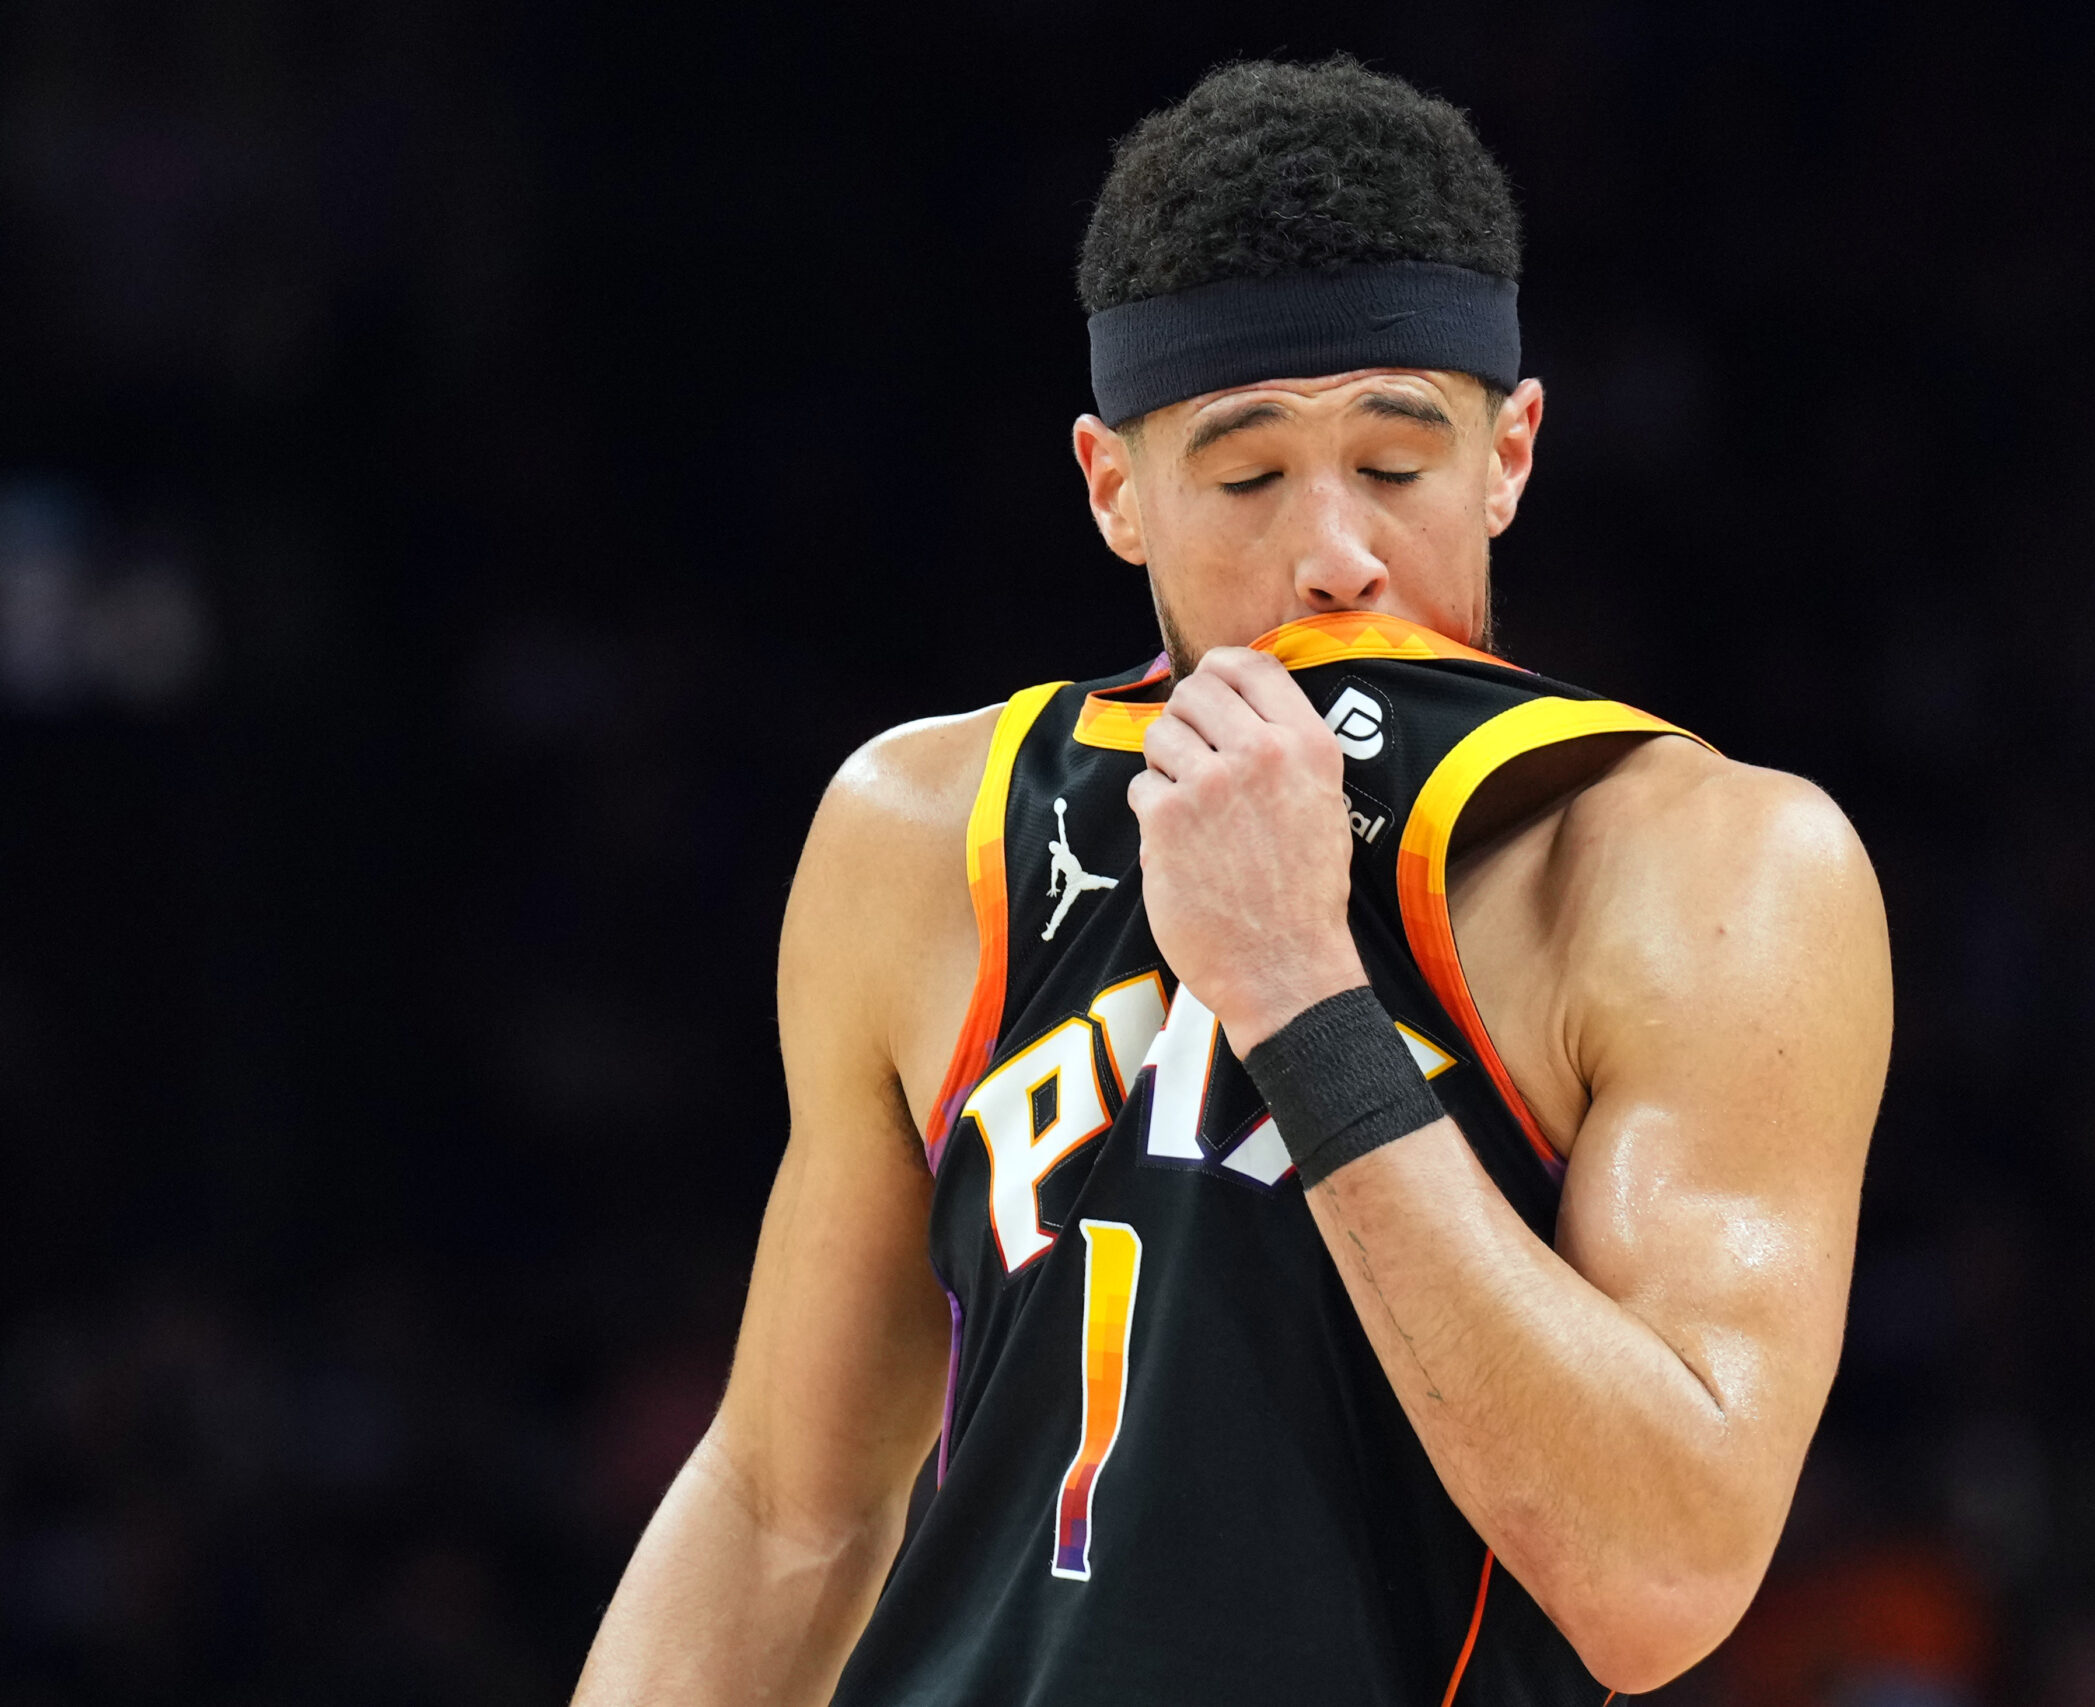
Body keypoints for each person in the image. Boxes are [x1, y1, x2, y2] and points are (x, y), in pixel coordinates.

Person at [572, 57, 1891, 1706]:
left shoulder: (1696, 861)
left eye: (1399, 465)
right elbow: (786, 1513)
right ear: (1115, 488)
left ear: (1513, 453)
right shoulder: (928, 831)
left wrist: (1300, 992)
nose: (1333, 551)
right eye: (1248, 476)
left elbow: (1661, 1575)